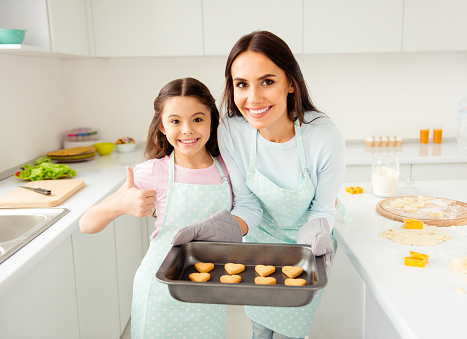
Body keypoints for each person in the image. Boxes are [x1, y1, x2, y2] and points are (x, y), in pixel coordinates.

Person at [172, 31, 346, 338]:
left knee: (288, 333)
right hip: (260, 251)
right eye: (242, 84)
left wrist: (317, 232)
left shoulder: (323, 136)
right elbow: (249, 205)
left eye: (267, 81)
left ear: (291, 83)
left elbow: (323, 208)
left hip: (308, 250)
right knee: (260, 329)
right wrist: (224, 227)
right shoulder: (232, 131)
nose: (253, 98)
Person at [79, 77, 243, 339]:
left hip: (208, 292)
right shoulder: (153, 172)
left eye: (198, 119)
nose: (187, 130)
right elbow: (86, 223)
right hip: (160, 294)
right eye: (176, 121)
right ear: (163, 127)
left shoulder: (227, 168)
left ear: (212, 120)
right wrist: (122, 204)